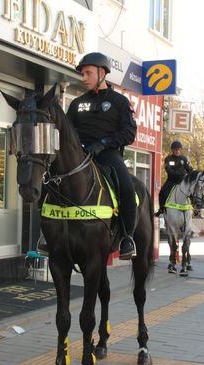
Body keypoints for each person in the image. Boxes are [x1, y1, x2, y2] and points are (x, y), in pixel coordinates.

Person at [67, 52, 138, 260]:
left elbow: (129, 133)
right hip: (80, 155)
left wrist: (103, 144)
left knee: (127, 188)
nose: (84, 78)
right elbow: (67, 130)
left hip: (108, 155)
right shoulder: (77, 104)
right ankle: (47, 233)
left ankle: (127, 238)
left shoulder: (120, 102)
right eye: (82, 74)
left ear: (102, 73)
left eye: (88, 73)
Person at [155, 140, 193, 216]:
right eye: (176, 149)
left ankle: (193, 208)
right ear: (172, 150)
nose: (177, 151)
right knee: (162, 192)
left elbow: (188, 169)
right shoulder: (168, 159)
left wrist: (193, 172)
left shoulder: (184, 159)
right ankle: (161, 210)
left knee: (192, 191)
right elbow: (169, 170)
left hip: (182, 181)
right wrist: (180, 174)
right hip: (171, 181)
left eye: (179, 149)